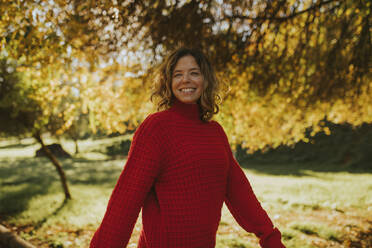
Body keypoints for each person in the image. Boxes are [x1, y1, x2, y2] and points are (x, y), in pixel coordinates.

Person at [90, 48, 285, 248]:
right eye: (178, 74)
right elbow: (126, 201)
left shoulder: (215, 132)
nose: (186, 80)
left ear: (205, 80)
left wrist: (269, 237)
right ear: (168, 82)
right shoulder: (156, 128)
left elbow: (240, 193)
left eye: (194, 73)